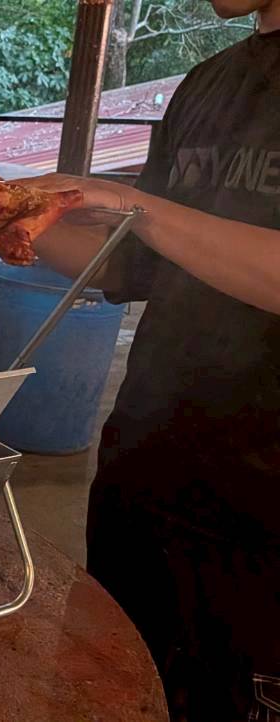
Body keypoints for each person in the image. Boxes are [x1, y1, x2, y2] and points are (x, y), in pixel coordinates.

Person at [16, 2, 279, 719]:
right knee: (122, 691)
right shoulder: (210, 83)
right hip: (148, 471)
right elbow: (131, 262)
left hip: (265, 513)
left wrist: (138, 205)